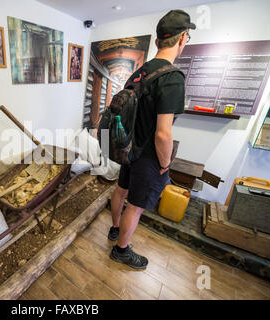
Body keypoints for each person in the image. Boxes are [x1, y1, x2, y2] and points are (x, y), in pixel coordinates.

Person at [108, 10, 196, 270]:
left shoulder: (137, 73)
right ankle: (121, 250)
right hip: (147, 157)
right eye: (187, 38)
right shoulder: (172, 78)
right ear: (182, 39)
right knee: (135, 206)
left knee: (120, 191)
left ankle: (115, 230)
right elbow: (163, 133)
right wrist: (165, 163)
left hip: (128, 151)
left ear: (157, 42)